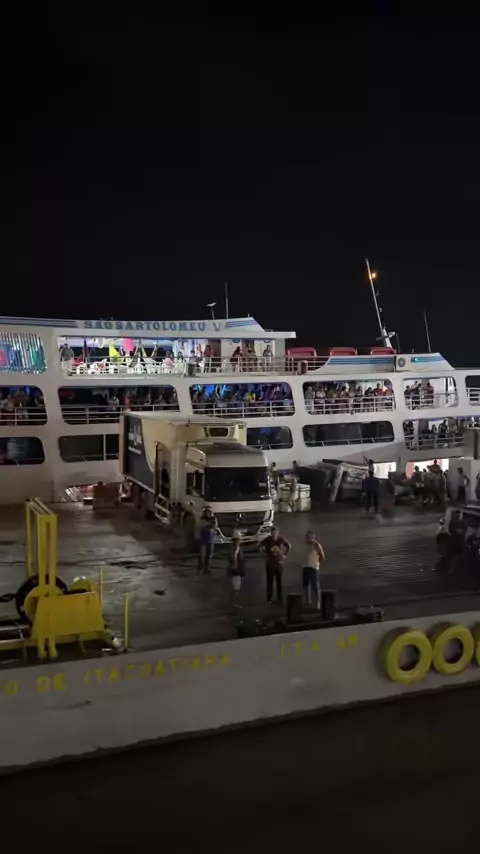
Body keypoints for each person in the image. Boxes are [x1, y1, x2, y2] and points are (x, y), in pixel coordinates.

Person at [262, 526, 291, 604]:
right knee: (269, 582)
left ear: (277, 533)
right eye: (272, 533)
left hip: (279, 564)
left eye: (275, 533)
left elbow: (288, 546)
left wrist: (285, 555)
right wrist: (264, 554)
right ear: (271, 533)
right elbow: (259, 546)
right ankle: (269, 598)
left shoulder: (281, 540)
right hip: (270, 564)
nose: (274, 534)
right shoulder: (267, 540)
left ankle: (279, 598)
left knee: (279, 582)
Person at [302, 531, 325, 610]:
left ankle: (318, 603)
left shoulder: (316, 545)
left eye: (310, 537)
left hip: (313, 567)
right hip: (305, 566)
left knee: (315, 586)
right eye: (307, 537)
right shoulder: (305, 545)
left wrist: (317, 564)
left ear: (313, 537)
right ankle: (307, 601)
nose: (308, 538)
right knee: (306, 585)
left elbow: (322, 556)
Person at [197, 506, 217, 574]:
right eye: (206, 512)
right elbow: (201, 526)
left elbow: (214, 526)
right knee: (202, 555)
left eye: (208, 512)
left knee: (209, 555)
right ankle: (200, 569)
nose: (207, 513)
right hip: (203, 539)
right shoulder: (202, 519)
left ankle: (207, 568)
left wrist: (210, 525)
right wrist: (209, 525)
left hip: (211, 539)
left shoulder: (214, 519)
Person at [227, 531, 245, 607]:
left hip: (238, 570)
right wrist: (235, 566)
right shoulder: (235, 548)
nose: (241, 540)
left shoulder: (235, 547)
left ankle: (233, 602)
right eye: (239, 538)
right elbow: (233, 558)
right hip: (236, 571)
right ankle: (234, 602)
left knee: (236, 588)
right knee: (236, 588)